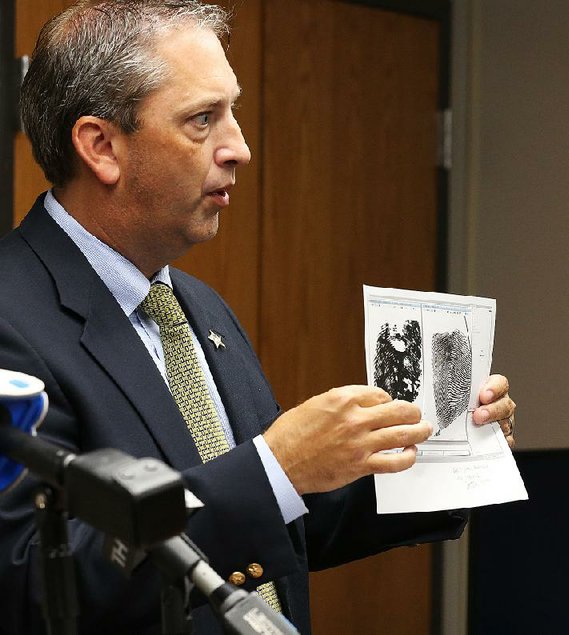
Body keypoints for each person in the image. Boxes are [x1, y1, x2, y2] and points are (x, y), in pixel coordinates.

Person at [0, 1, 517, 633]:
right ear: (102, 146)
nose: (239, 148)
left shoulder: (197, 307)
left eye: (233, 112)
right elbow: (31, 583)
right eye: (202, 120)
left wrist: (439, 452)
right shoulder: (11, 316)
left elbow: (277, 523)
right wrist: (278, 465)